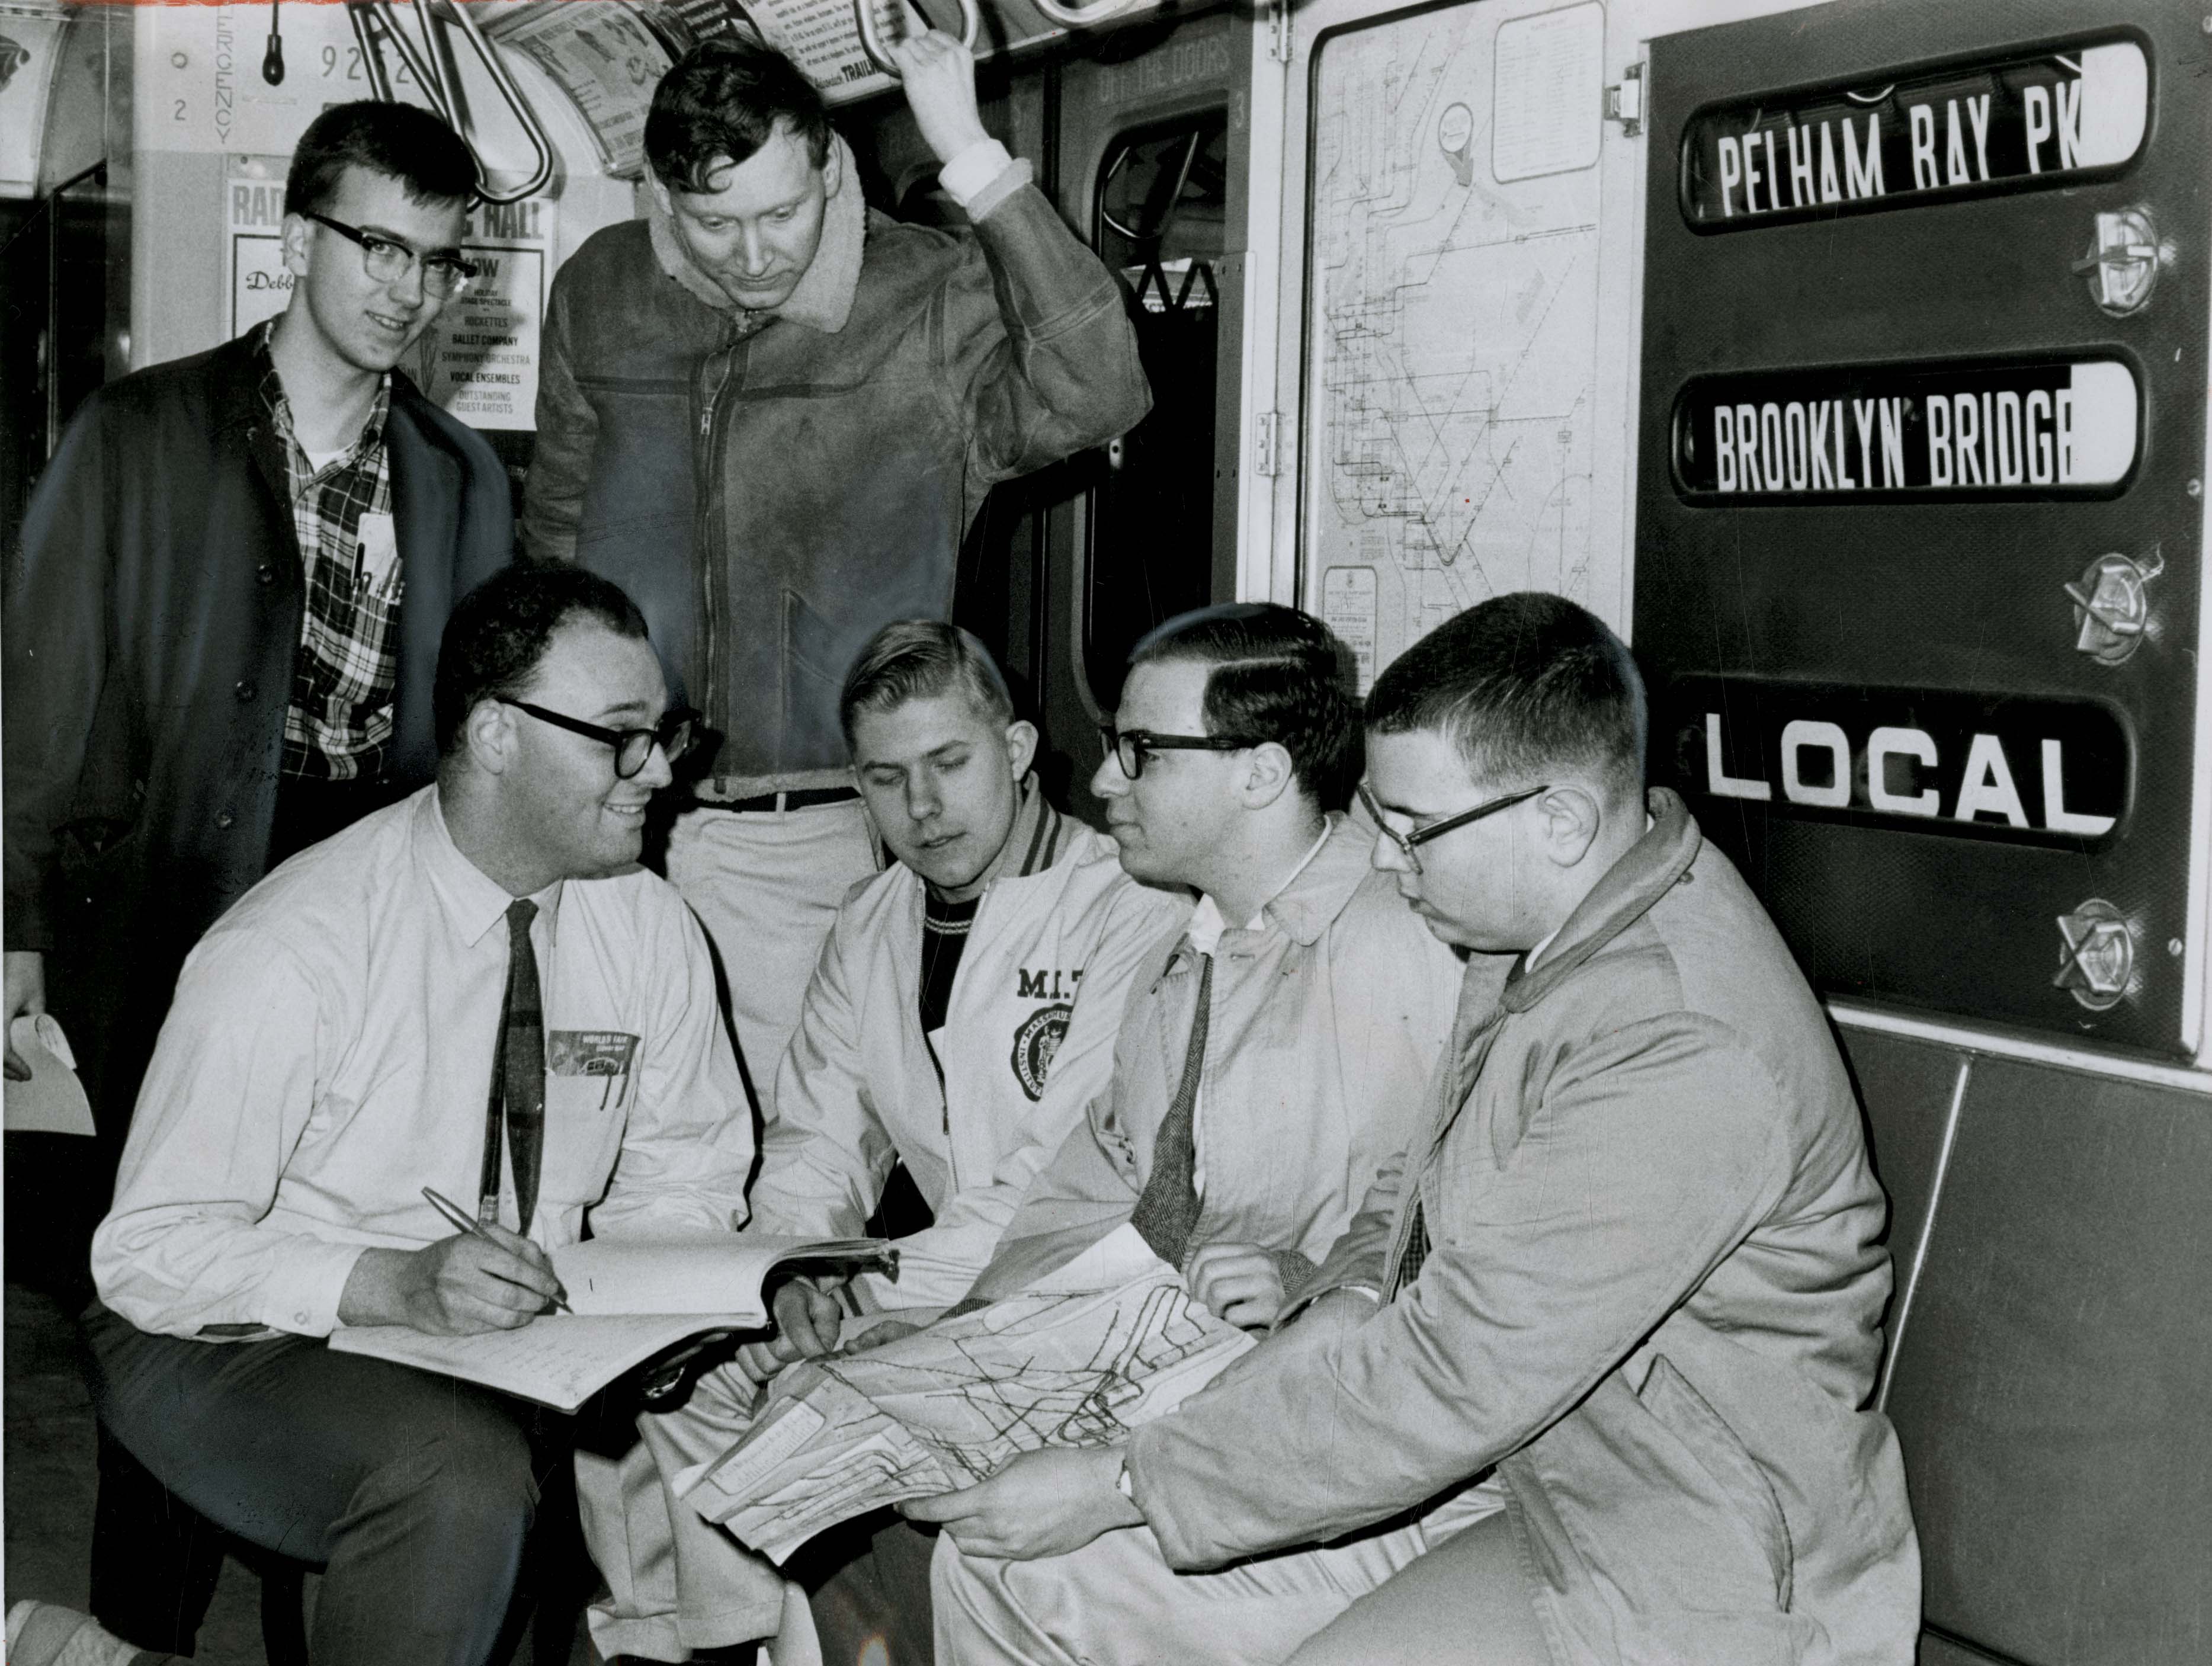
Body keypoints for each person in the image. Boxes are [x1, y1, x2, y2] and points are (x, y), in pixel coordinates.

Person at [914, 593, 1922, 1666]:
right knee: (1011, 1576)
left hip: (1680, 1543)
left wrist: (1126, 1480)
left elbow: (1455, 1371)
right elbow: (1420, 1184)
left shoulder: (1678, 1040)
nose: (1386, 863)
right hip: (1524, 1467)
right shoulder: (1540, 932)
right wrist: (1347, 1291)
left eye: (1413, 832)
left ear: (1561, 821)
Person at [84, 565, 755, 1666]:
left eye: (666, 730)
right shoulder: (296, 947)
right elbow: (151, 1254)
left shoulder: (648, 924)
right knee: (459, 1476)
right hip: (233, 1329)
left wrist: (660, 1312)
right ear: (495, 736)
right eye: (621, 737)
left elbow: (686, 1174)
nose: (661, 770)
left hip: (507, 1332)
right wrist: (393, 1281)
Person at [521, 30, 1150, 1119]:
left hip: (809, 828)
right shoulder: (599, 291)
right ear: (663, 200)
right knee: (612, 1149)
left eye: (782, 214)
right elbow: (556, 539)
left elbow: (1100, 393)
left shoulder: (927, 292)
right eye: (714, 224)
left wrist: (970, 156)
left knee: (793, 1154)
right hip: (613, 813)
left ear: (828, 169)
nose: (754, 255)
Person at [579, 620, 1185, 1665]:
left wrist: (873, 1296)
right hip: (930, 1276)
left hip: (1080, 1287)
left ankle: (806, 1638)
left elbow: (1057, 1190)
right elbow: (816, 1142)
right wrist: (789, 1275)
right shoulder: (869, 919)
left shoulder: (1125, 906)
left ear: (1020, 749)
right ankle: (708, 1643)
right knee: (674, 1375)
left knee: (811, 1394)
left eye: (950, 764)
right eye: (885, 777)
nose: (923, 808)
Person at [3, 100, 512, 1153]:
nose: (409, 292)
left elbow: (473, 737)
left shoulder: (460, 474)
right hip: (162, 895)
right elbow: (34, 709)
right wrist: (16, 925)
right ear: (294, 239)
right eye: (379, 249)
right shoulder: (139, 434)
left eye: (438, 263)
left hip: (371, 910)